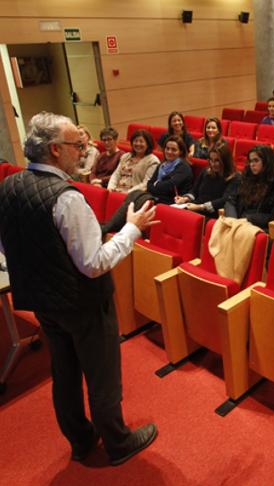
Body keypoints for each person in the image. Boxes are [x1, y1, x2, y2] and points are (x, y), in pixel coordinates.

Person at [0, 112, 158, 464]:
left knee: (65, 373)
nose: (83, 150)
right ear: (55, 150)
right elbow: (94, 264)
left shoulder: (10, 185)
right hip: (83, 305)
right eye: (78, 145)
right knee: (102, 376)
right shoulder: (67, 198)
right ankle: (118, 443)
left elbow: (7, 244)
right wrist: (132, 229)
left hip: (42, 301)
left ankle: (81, 440)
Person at [101, 135, 194, 234]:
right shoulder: (163, 165)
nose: (169, 152)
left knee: (139, 198)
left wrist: (155, 186)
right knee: (135, 194)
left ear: (180, 152)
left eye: (174, 150)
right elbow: (150, 184)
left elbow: (167, 187)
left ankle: (111, 228)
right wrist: (156, 186)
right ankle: (113, 227)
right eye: (167, 148)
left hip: (171, 201)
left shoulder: (183, 167)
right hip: (156, 197)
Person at [224, 145, 274, 230]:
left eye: (256, 161)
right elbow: (231, 200)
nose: (252, 165)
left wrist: (248, 219)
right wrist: (232, 220)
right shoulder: (248, 176)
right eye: (250, 161)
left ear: (267, 162)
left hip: (261, 227)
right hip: (239, 223)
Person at [174, 145, 240, 218]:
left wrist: (200, 207)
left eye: (217, 160)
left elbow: (224, 200)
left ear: (225, 161)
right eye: (211, 160)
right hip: (195, 207)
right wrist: (185, 199)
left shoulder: (235, 177)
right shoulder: (206, 171)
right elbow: (194, 191)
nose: (213, 164)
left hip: (213, 214)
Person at [107, 129, 159, 193]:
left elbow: (146, 184)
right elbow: (116, 174)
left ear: (148, 144)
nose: (138, 144)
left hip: (134, 194)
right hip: (117, 191)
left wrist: (128, 192)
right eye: (135, 141)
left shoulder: (152, 161)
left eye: (141, 141)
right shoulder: (125, 156)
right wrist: (110, 187)